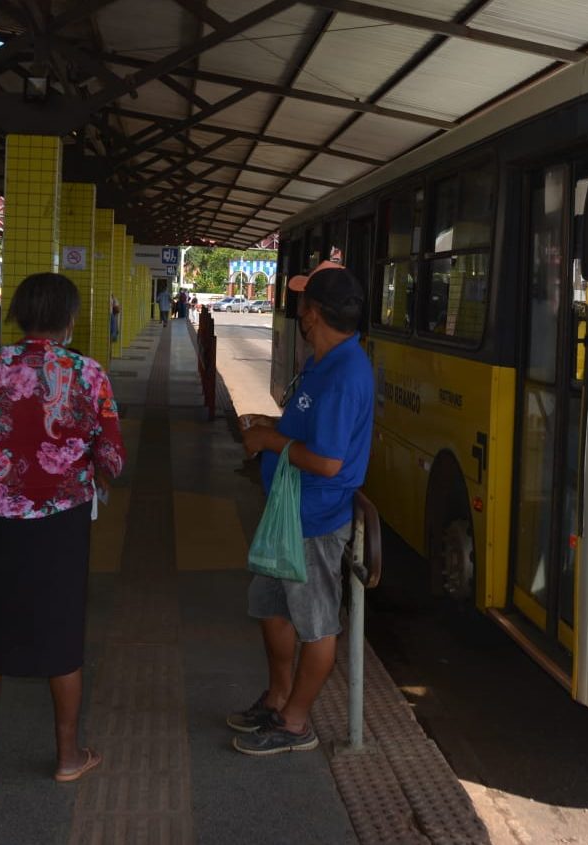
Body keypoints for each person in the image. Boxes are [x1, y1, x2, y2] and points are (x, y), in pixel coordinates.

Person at [0, 272, 125, 794]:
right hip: (61, 523)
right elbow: (113, 459)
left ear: (18, 315)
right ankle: (68, 758)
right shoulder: (89, 373)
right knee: (61, 635)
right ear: (69, 319)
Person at [228, 262, 372, 756]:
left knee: (316, 624)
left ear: (313, 315)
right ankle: (278, 696)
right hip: (289, 510)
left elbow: (329, 462)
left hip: (313, 517)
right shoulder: (322, 363)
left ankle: (295, 724)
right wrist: (271, 423)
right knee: (270, 606)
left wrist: (269, 439)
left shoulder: (343, 374)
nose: (300, 314)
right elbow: (311, 432)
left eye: (303, 304)